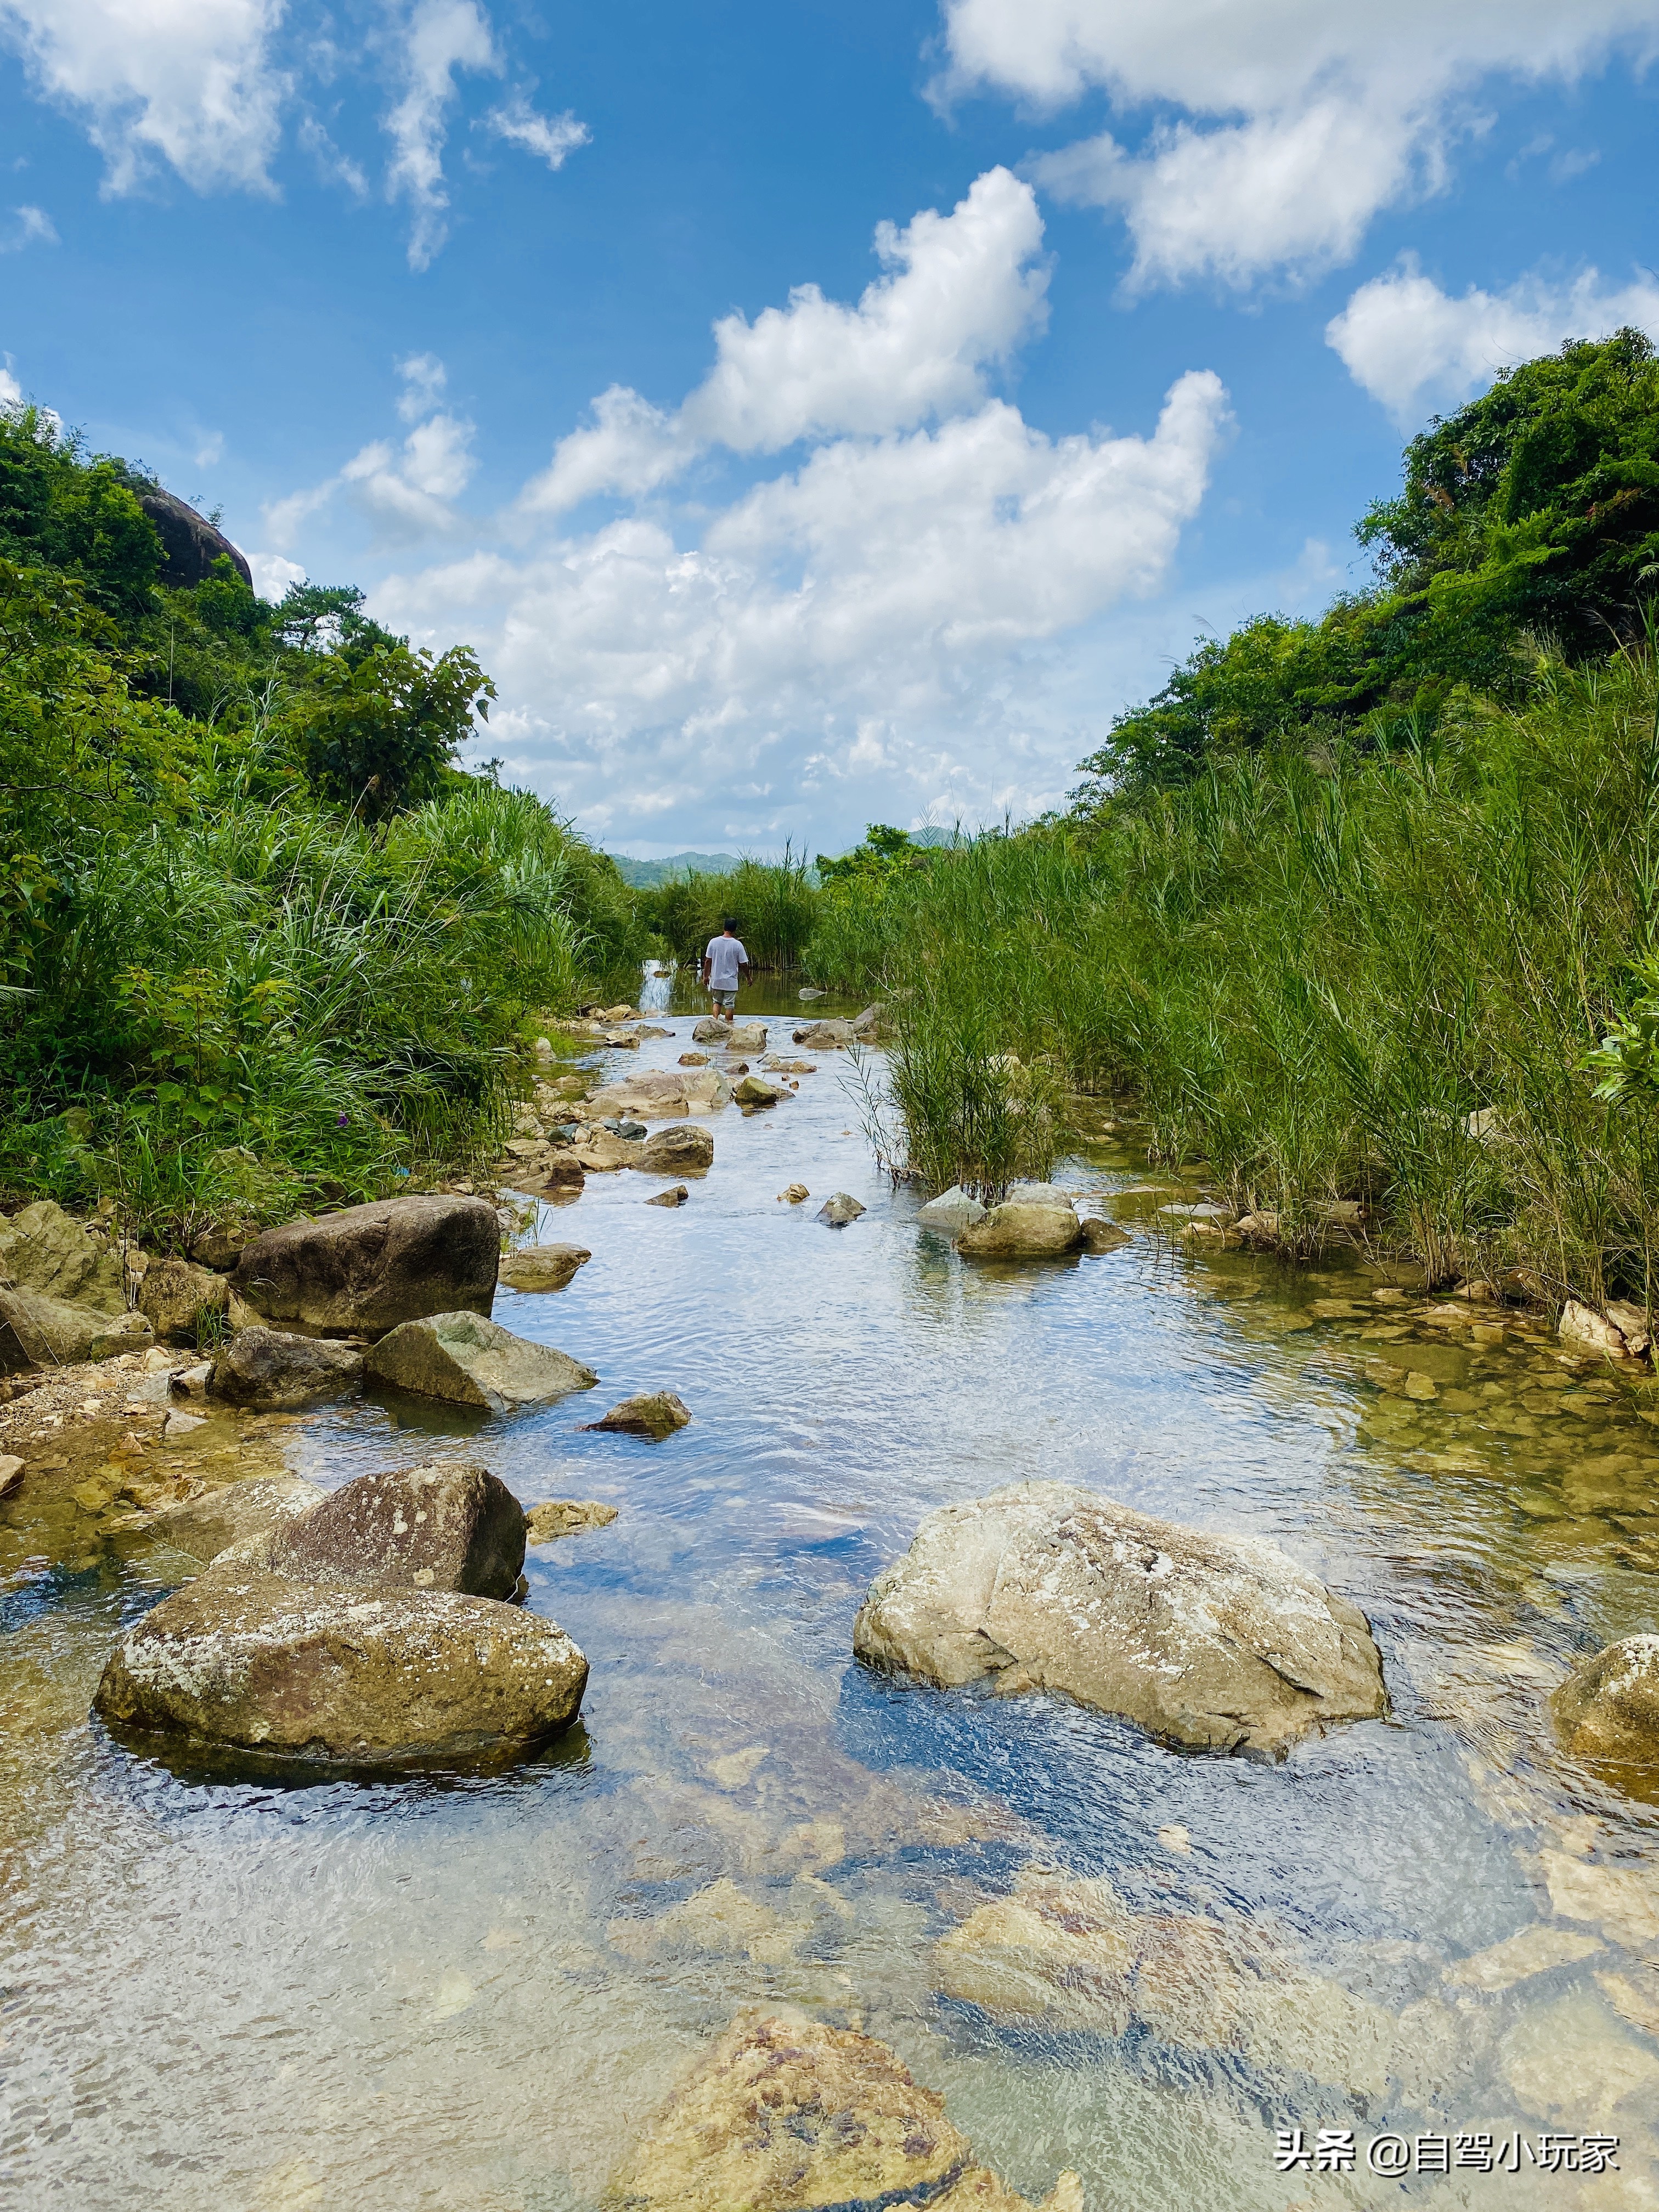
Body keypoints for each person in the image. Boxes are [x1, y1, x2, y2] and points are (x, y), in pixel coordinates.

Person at [701, 918, 752, 1019]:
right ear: (735, 929)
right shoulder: (738, 945)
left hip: (716, 980)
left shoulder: (713, 942)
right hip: (731, 982)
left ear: (724, 928)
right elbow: (744, 964)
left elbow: (708, 961)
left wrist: (706, 976)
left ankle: (715, 1023)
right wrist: (748, 978)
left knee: (717, 1002)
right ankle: (729, 1027)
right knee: (729, 1005)